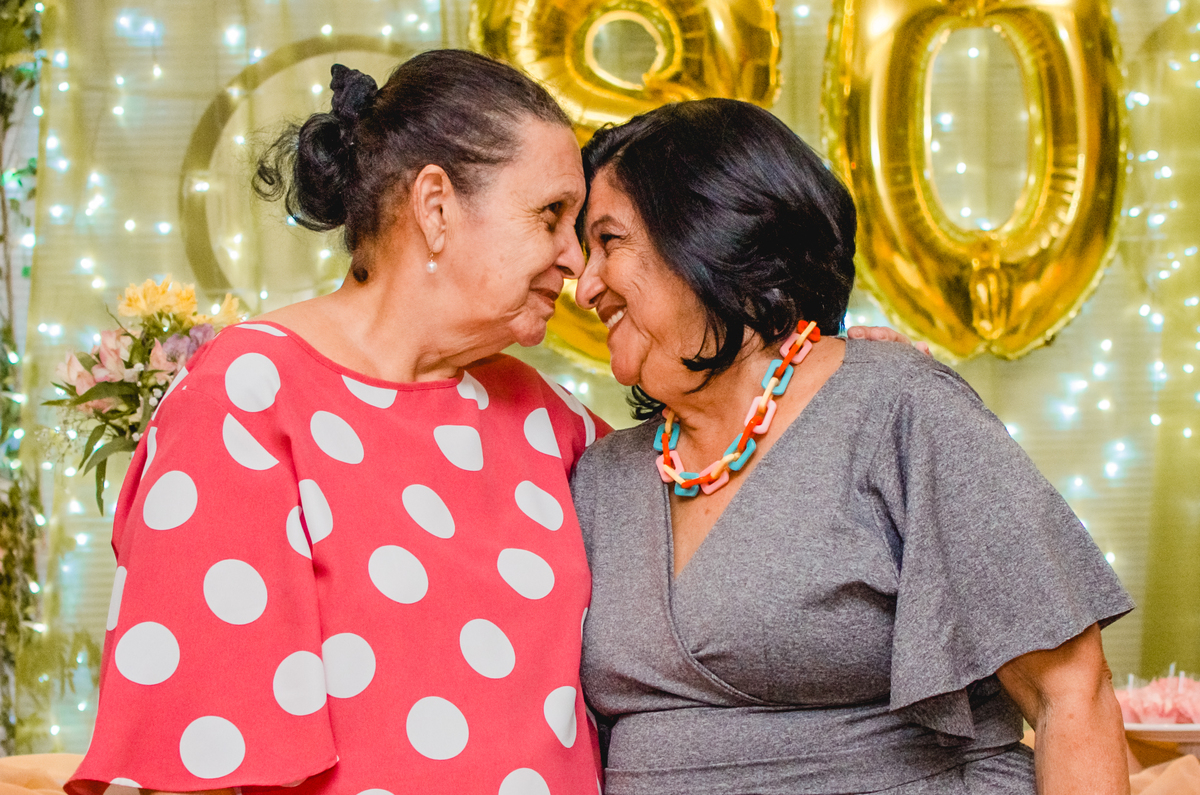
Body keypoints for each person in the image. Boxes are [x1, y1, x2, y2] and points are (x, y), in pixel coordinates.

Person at [68, 50, 608, 795]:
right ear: (436, 206)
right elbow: (201, 756)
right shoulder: (248, 394)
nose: (575, 259)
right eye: (550, 216)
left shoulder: (548, 415)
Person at [571, 98, 1134, 794]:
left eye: (609, 241)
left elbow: (1071, 696)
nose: (584, 287)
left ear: (713, 230)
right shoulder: (600, 475)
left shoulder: (900, 406)